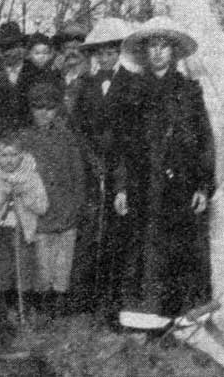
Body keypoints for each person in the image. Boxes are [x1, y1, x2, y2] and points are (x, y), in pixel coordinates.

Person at [114, 16, 216, 319]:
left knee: (182, 249)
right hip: (142, 184)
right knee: (142, 248)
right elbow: (121, 145)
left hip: (180, 185)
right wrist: (121, 187)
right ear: (145, 53)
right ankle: (144, 316)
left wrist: (202, 186)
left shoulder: (189, 92)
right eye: (152, 47)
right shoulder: (132, 92)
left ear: (173, 53)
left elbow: (204, 142)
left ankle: (183, 316)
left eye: (164, 46)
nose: (158, 52)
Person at [72, 17, 135, 318]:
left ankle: (114, 302)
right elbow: (78, 128)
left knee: (117, 233)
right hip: (92, 166)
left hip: (122, 165)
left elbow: (135, 132)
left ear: (119, 53)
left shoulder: (133, 85)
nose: (106, 57)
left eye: (111, 52)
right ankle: (87, 300)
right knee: (91, 231)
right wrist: (91, 159)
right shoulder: (86, 86)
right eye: (101, 53)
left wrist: (120, 169)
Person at [18, 83, 85, 318]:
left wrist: (76, 206)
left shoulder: (67, 137)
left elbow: (78, 175)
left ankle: (59, 306)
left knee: (63, 262)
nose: (43, 113)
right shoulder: (24, 138)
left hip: (65, 207)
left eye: (49, 108)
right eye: (38, 108)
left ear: (57, 109)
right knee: (42, 262)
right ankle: (43, 305)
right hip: (39, 209)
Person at [0, 133, 48, 346]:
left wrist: (23, 194)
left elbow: (42, 206)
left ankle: (23, 310)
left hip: (22, 232)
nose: (9, 160)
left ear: (22, 156)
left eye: (14, 155)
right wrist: (1, 196)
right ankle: (0, 312)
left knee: (23, 270)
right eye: (3, 155)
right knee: (0, 272)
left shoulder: (31, 177)